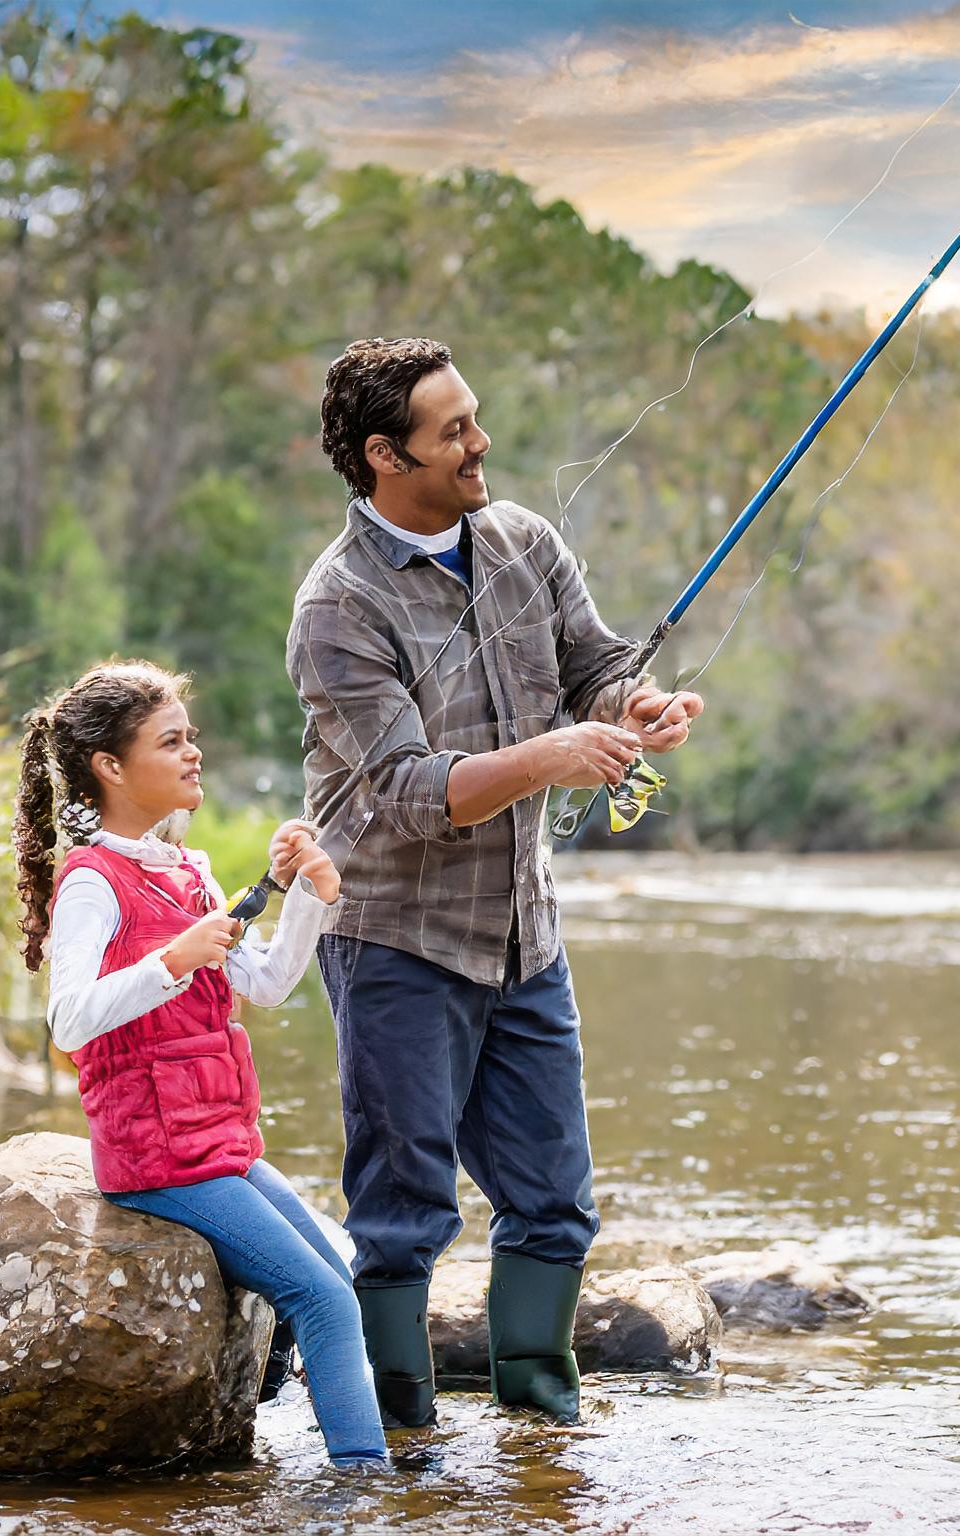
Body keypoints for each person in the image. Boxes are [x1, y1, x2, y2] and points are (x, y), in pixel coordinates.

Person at [287, 337, 705, 1428]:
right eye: (454, 431)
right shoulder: (337, 606)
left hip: (524, 934)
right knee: (404, 1213)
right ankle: (399, 1442)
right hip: (394, 941)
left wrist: (636, 708)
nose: (482, 444)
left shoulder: (525, 540)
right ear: (385, 456)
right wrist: (556, 755)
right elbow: (410, 793)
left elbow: (597, 669)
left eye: (475, 417)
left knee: (556, 1207)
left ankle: (543, 1423)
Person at [12, 659, 388, 1472]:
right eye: (171, 741)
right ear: (109, 767)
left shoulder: (191, 871)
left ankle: (270, 1415)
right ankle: (363, 1484)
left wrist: (307, 895)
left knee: (340, 1268)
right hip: (156, 1156)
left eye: (193, 738)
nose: (194, 755)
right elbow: (69, 1021)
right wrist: (173, 959)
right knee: (321, 1299)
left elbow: (268, 984)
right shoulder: (90, 883)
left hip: (219, 1144)